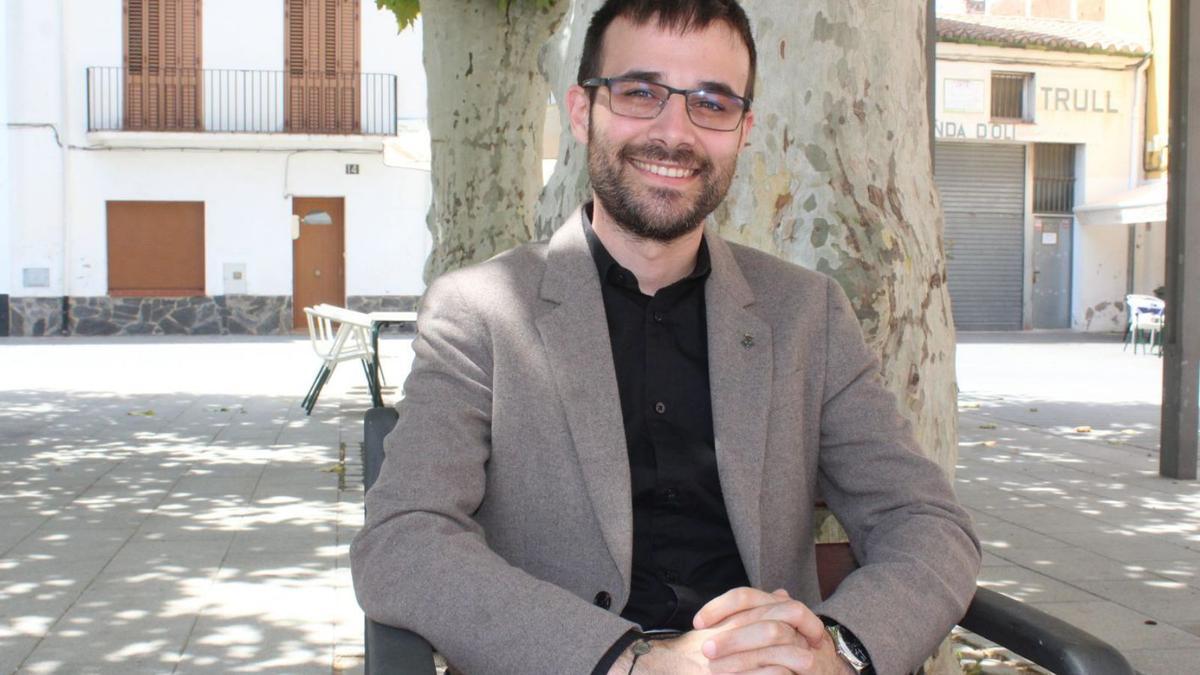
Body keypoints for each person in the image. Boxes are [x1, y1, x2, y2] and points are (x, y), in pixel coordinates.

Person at [350, 1, 981, 673]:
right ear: (581, 110)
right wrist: (631, 662)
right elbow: (402, 539)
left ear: (743, 129)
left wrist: (839, 649)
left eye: (711, 102)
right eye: (640, 93)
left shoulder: (806, 314)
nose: (673, 131)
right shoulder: (479, 313)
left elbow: (929, 524)